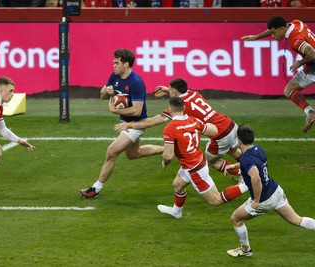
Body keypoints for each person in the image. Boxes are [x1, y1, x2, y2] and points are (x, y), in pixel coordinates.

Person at [115, 78, 244, 182]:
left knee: (213, 161)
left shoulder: (180, 107)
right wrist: (167, 90)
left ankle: (242, 174)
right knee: (234, 151)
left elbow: (152, 121)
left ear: (175, 93)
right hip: (230, 124)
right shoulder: (194, 93)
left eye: (170, 90)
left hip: (219, 134)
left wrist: (129, 125)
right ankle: (253, 169)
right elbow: (182, 93)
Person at [78, 49, 164, 198]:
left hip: (136, 124)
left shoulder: (136, 83)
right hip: (126, 122)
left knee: (112, 152)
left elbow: (137, 111)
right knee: (133, 154)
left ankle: (95, 189)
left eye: (116, 63)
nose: (113, 65)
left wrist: (115, 111)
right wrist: (107, 92)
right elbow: (102, 95)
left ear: (126, 64)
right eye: (113, 62)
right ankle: (170, 148)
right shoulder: (115, 76)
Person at [224, 124, 315, 257]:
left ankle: (245, 250)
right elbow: (254, 164)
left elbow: (255, 178)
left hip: (264, 199)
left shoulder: (246, 159)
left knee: (236, 219)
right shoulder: (258, 149)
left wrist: (256, 200)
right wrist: (235, 165)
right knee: (296, 220)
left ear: (238, 141)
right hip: (276, 191)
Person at [157, 96, 248, 219]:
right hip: (196, 160)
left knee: (215, 200)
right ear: (184, 107)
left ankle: (248, 184)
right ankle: (176, 211)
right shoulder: (193, 120)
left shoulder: (170, 128)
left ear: (169, 109)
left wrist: (165, 163)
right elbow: (214, 130)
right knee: (178, 184)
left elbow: (168, 156)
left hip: (194, 168)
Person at [241, 15, 315, 133]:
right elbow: (274, 27)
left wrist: (299, 62)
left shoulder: (295, 39)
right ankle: (310, 112)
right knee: (289, 89)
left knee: (289, 90)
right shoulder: (296, 23)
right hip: (312, 65)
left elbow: (312, 54)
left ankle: (310, 112)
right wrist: (256, 37)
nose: (273, 36)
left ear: (281, 29)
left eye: (274, 33)